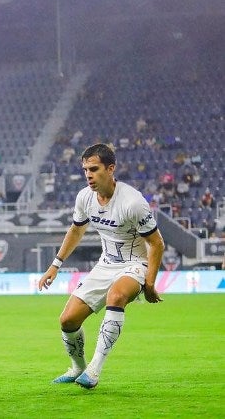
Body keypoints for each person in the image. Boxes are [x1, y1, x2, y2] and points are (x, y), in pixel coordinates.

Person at [38, 143, 165, 389]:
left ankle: (94, 371)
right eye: (86, 169)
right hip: (105, 265)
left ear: (110, 169)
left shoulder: (133, 202)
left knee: (116, 296)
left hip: (134, 264)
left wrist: (149, 282)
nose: (88, 175)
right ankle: (78, 367)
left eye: (94, 169)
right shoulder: (85, 197)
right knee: (67, 320)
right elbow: (76, 230)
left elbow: (156, 243)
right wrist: (55, 265)